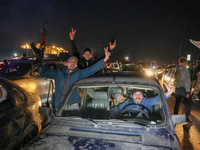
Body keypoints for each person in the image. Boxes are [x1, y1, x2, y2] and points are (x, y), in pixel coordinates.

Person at [40, 47, 111, 110]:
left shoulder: (78, 73)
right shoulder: (58, 72)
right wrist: (39, 59)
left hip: (73, 105)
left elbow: (91, 70)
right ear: (67, 63)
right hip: (59, 105)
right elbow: (43, 72)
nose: (73, 63)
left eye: (75, 62)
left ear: (76, 65)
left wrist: (105, 59)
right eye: (71, 61)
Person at [110, 82, 175, 118]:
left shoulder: (147, 101)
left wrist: (168, 93)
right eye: (135, 94)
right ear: (132, 96)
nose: (138, 96)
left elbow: (158, 99)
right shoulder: (127, 102)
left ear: (143, 96)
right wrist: (121, 116)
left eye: (140, 94)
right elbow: (114, 110)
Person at [173, 57, 192, 122]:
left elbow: (173, 77)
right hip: (183, 89)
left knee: (177, 103)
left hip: (177, 89)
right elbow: (187, 81)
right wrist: (187, 92)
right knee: (188, 103)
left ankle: (175, 116)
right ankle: (186, 118)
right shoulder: (186, 70)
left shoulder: (177, 69)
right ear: (185, 62)